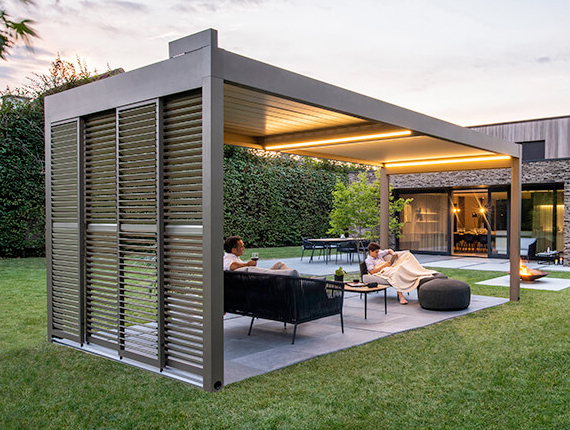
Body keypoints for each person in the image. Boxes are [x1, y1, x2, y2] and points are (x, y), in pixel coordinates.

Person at [365, 242, 437, 304]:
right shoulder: (369, 260)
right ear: (371, 251)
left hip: (389, 266)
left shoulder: (379, 254)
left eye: (378, 251)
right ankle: (401, 296)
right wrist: (384, 265)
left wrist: (393, 254)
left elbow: (389, 250)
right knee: (396, 272)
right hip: (382, 270)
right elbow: (372, 272)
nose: (378, 253)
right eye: (376, 252)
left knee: (407, 255)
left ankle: (419, 272)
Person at [223, 235, 292, 271]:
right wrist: (247, 264)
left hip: (257, 277)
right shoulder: (227, 259)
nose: (244, 249)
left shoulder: (234, 258)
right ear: (234, 250)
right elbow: (230, 266)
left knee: (279, 265)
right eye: (241, 247)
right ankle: (298, 281)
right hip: (259, 280)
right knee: (280, 266)